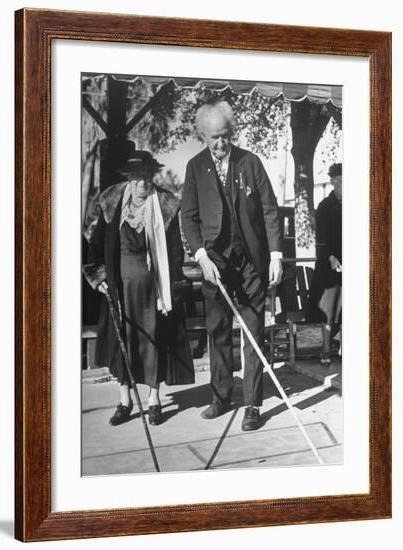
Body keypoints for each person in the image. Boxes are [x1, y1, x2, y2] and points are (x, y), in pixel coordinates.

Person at [181, 101, 283, 431]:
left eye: (225, 136)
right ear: (203, 136)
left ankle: (252, 403)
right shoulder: (195, 168)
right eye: (214, 138)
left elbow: (269, 210)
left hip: (252, 262)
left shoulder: (250, 162)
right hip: (215, 262)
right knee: (219, 331)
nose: (220, 143)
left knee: (253, 333)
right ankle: (221, 396)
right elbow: (189, 217)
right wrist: (200, 256)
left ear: (231, 133)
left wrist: (276, 256)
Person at [83, 150, 194, 426]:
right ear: (128, 179)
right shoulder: (111, 203)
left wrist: (171, 287)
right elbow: (95, 247)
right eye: (136, 178)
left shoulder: (166, 206)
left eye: (146, 178)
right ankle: (124, 400)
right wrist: (99, 279)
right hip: (119, 290)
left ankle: (154, 400)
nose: (141, 184)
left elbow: (176, 253)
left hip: (153, 291)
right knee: (124, 343)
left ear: (152, 178)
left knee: (152, 342)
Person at [306, 162, 342, 348]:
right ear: (334, 182)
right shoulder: (325, 206)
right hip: (329, 265)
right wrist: (331, 257)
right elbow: (321, 239)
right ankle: (326, 350)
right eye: (342, 182)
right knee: (329, 310)